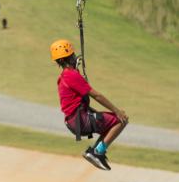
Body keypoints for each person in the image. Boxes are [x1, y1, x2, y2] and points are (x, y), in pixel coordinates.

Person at [50, 40, 128, 171]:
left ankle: (96, 152)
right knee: (121, 120)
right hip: (81, 120)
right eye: (73, 54)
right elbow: (96, 96)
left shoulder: (65, 76)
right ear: (69, 57)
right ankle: (97, 152)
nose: (75, 57)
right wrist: (117, 111)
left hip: (75, 121)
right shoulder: (71, 75)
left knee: (109, 125)